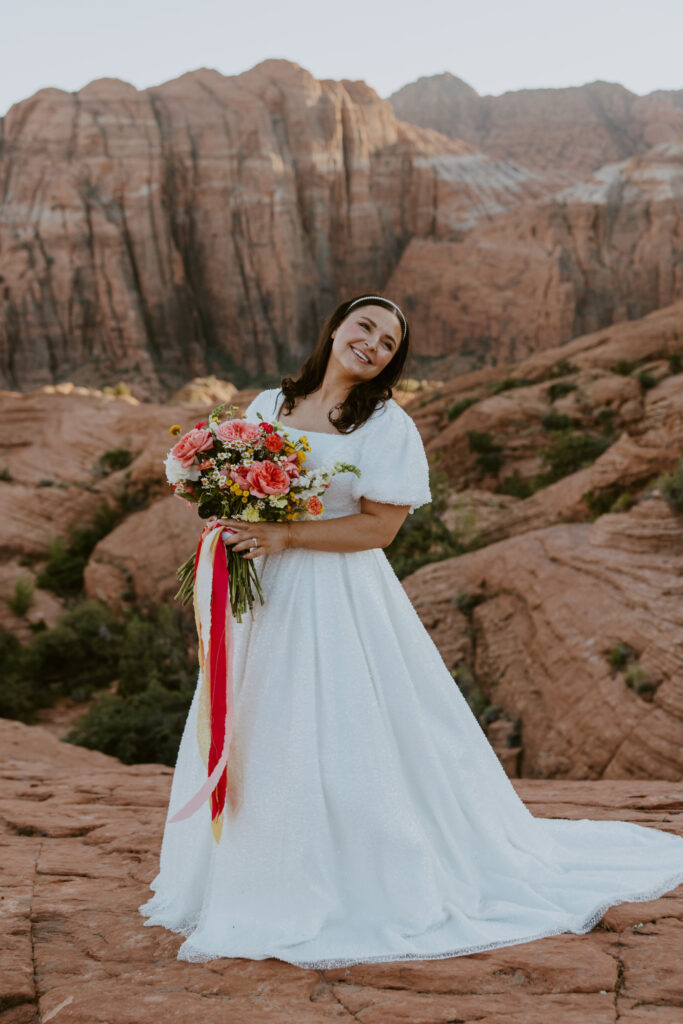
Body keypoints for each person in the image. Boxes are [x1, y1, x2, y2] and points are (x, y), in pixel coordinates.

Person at [139, 293, 683, 969]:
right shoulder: (265, 405)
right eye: (363, 326)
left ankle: (341, 881)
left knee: (333, 726)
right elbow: (234, 491)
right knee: (257, 722)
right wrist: (225, 504)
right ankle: (243, 876)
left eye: (388, 342)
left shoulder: (385, 424)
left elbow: (379, 528)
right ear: (335, 326)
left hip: (333, 594)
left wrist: (281, 534)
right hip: (261, 595)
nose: (371, 343)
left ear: (392, 362)